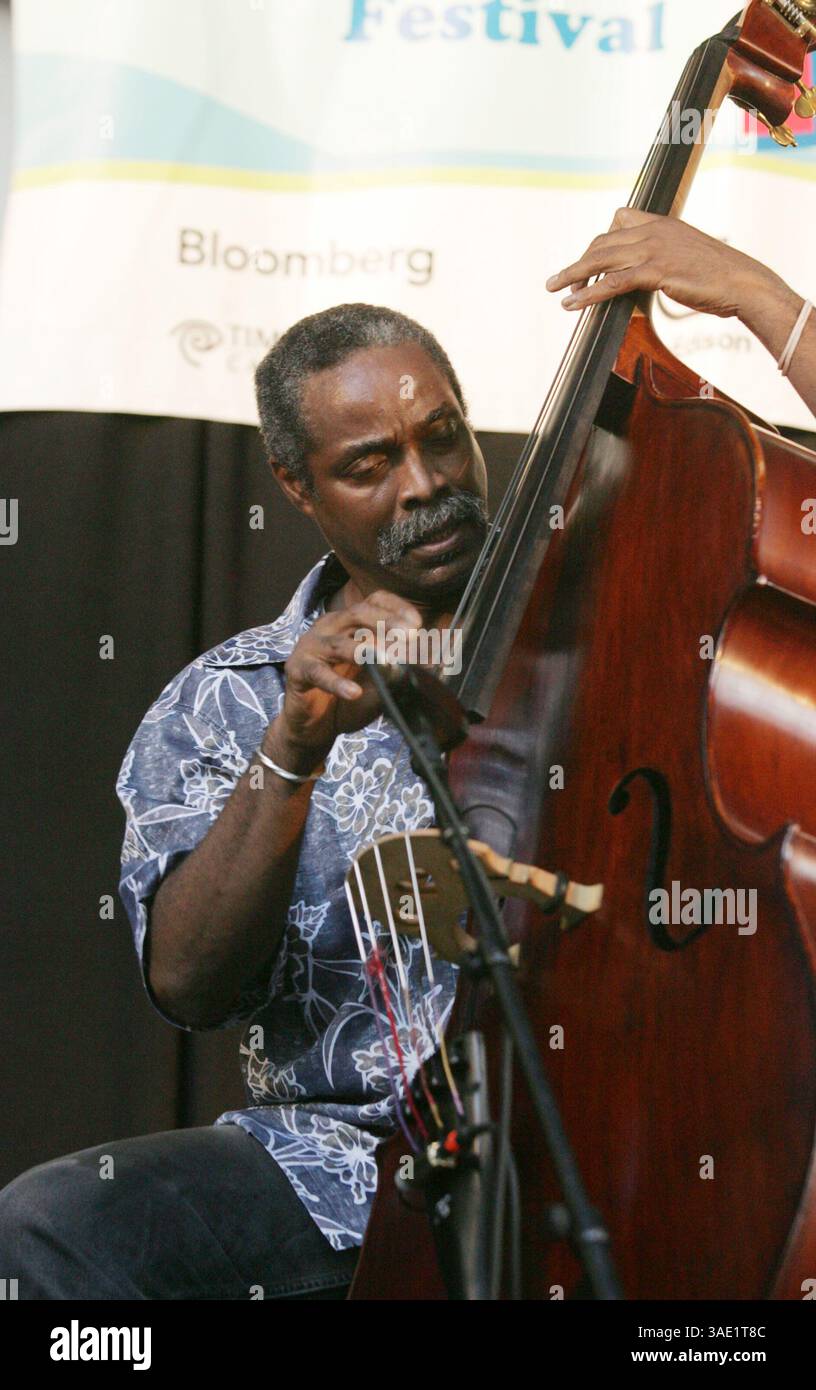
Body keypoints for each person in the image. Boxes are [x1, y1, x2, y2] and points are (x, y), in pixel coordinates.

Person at [0, 213, 812, 1301]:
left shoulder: (619, 594)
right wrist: (292, 753)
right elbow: (190, 983)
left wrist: (769, 302)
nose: (427, 484)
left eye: (444, 435)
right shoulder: (232, 699)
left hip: (619, 1138)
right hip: (339, 1168)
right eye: (371, 464)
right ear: (295, 485)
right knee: (54, 1227)